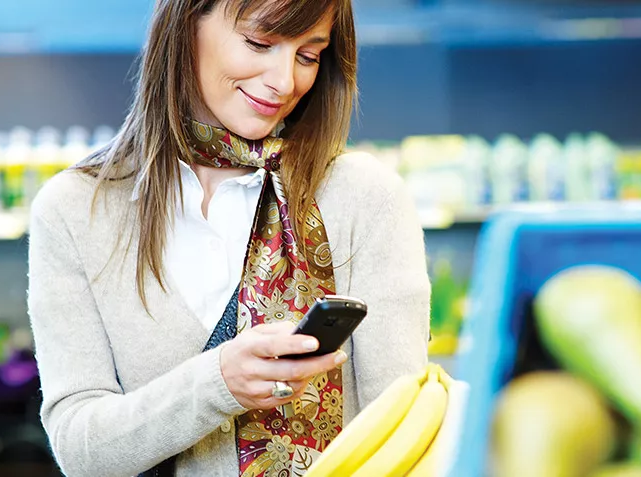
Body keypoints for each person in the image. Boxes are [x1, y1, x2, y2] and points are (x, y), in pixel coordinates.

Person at [27, 0, 430, 475]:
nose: (284, 81)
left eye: (308, 56)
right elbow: (80, 448)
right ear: (185, 22)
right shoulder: (78, 208)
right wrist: (219, 383)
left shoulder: (364, 197)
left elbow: (403, 429)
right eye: (259, 42)